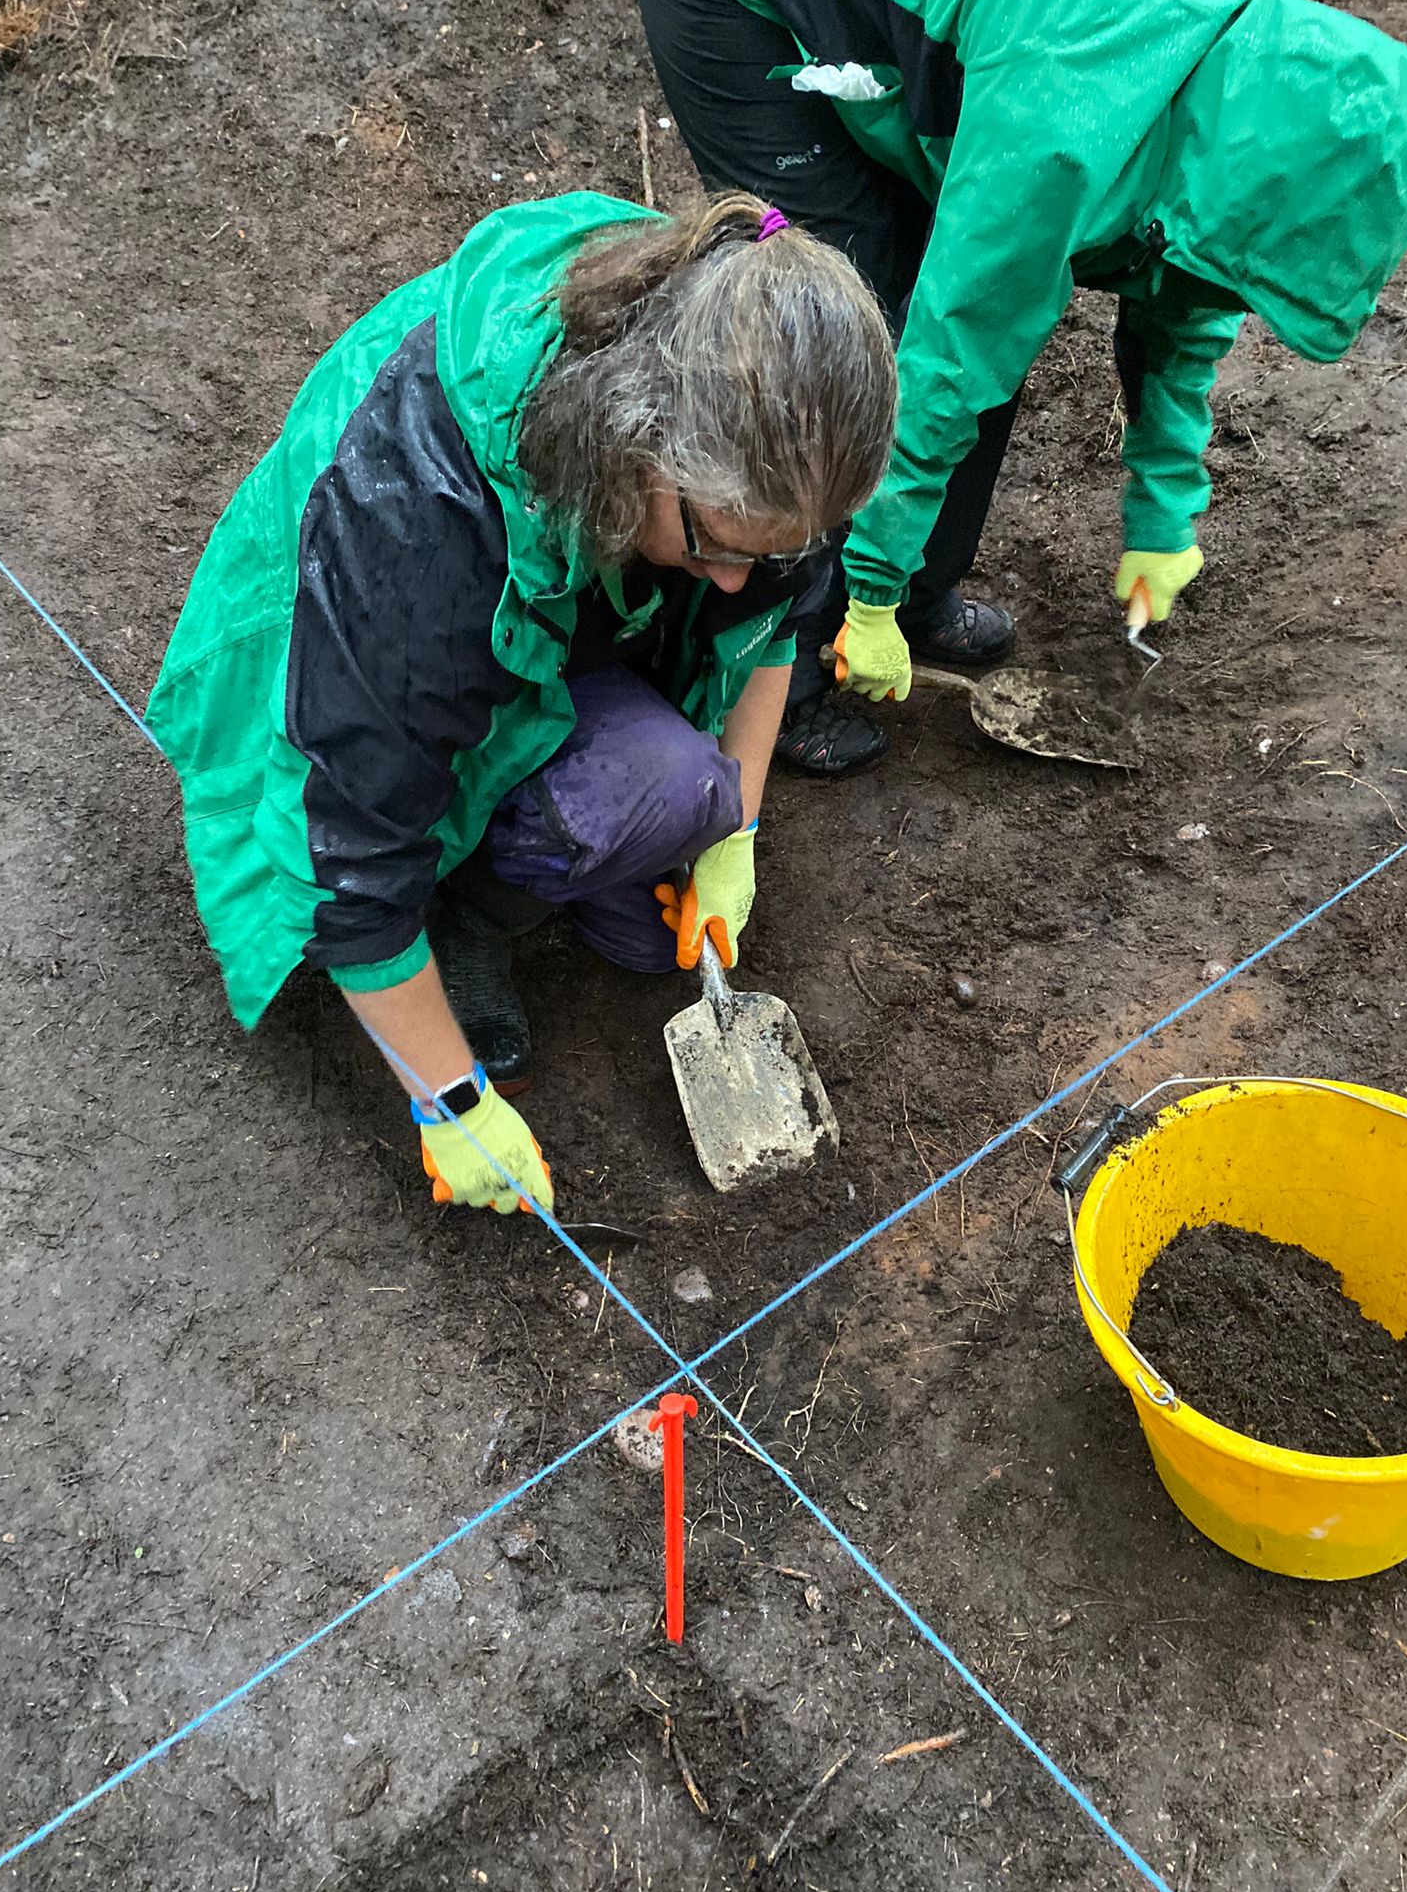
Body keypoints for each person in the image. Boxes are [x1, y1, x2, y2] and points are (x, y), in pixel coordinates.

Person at [147, 192, 897, 1217]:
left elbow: (767, 619)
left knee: (664, 876)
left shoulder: (747, 366)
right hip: (360, 670)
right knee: (580, 813)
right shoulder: (418, 527)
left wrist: (741, 827)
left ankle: (533, 852)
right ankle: (461, 915)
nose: (734, 577)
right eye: (721, 546)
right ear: (639, 448)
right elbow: (345, 849)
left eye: (766, 548)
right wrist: (451, 1101)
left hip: (554, 622)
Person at [637, 0, 1407, 775]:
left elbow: (1188, 285)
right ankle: (790, 673)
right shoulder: (1069, 124)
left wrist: (1163, 515)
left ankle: (913, 590)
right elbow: (953, 346)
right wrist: (862, 591)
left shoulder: (1224, 96)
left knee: (980, 304)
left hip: (927, 11)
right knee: (842, 332)